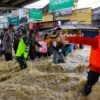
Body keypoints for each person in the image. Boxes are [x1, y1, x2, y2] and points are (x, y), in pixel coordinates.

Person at [63, 31, 100, 96]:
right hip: (95, 67)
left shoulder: (97, 41)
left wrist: (69, 38)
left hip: (95, 68)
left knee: (90, 84)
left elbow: (83, 40)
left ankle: (86, 95)